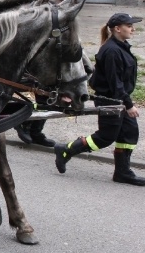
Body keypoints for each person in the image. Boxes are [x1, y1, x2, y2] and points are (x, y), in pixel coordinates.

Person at [53, 13, 145, 186]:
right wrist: (129, 105)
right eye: (129, 26)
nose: (133, 29)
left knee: (129, 133)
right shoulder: (112, 51)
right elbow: (116, 83)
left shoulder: (121, 46)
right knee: (106, 137)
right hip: (110, 100)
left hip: (119, 99)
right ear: (117, 29)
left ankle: (122, 172)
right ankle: (66, 150)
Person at [14, 0, 73, 147]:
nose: (64, 3)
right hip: (28, 65)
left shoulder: (58, 18)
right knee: (41, 97)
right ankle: (24, 123)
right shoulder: (40, 13)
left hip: (43, 65)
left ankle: (35, 131)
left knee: (47, 98)